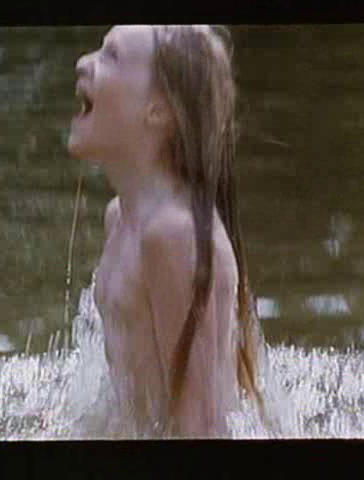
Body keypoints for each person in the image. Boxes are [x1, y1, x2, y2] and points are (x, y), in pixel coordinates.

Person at [67, 25, 265, 438]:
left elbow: (201, 427)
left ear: (158, 111)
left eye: (111, 56)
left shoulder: (174, 235)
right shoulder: (120, 218)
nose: (84, 63)